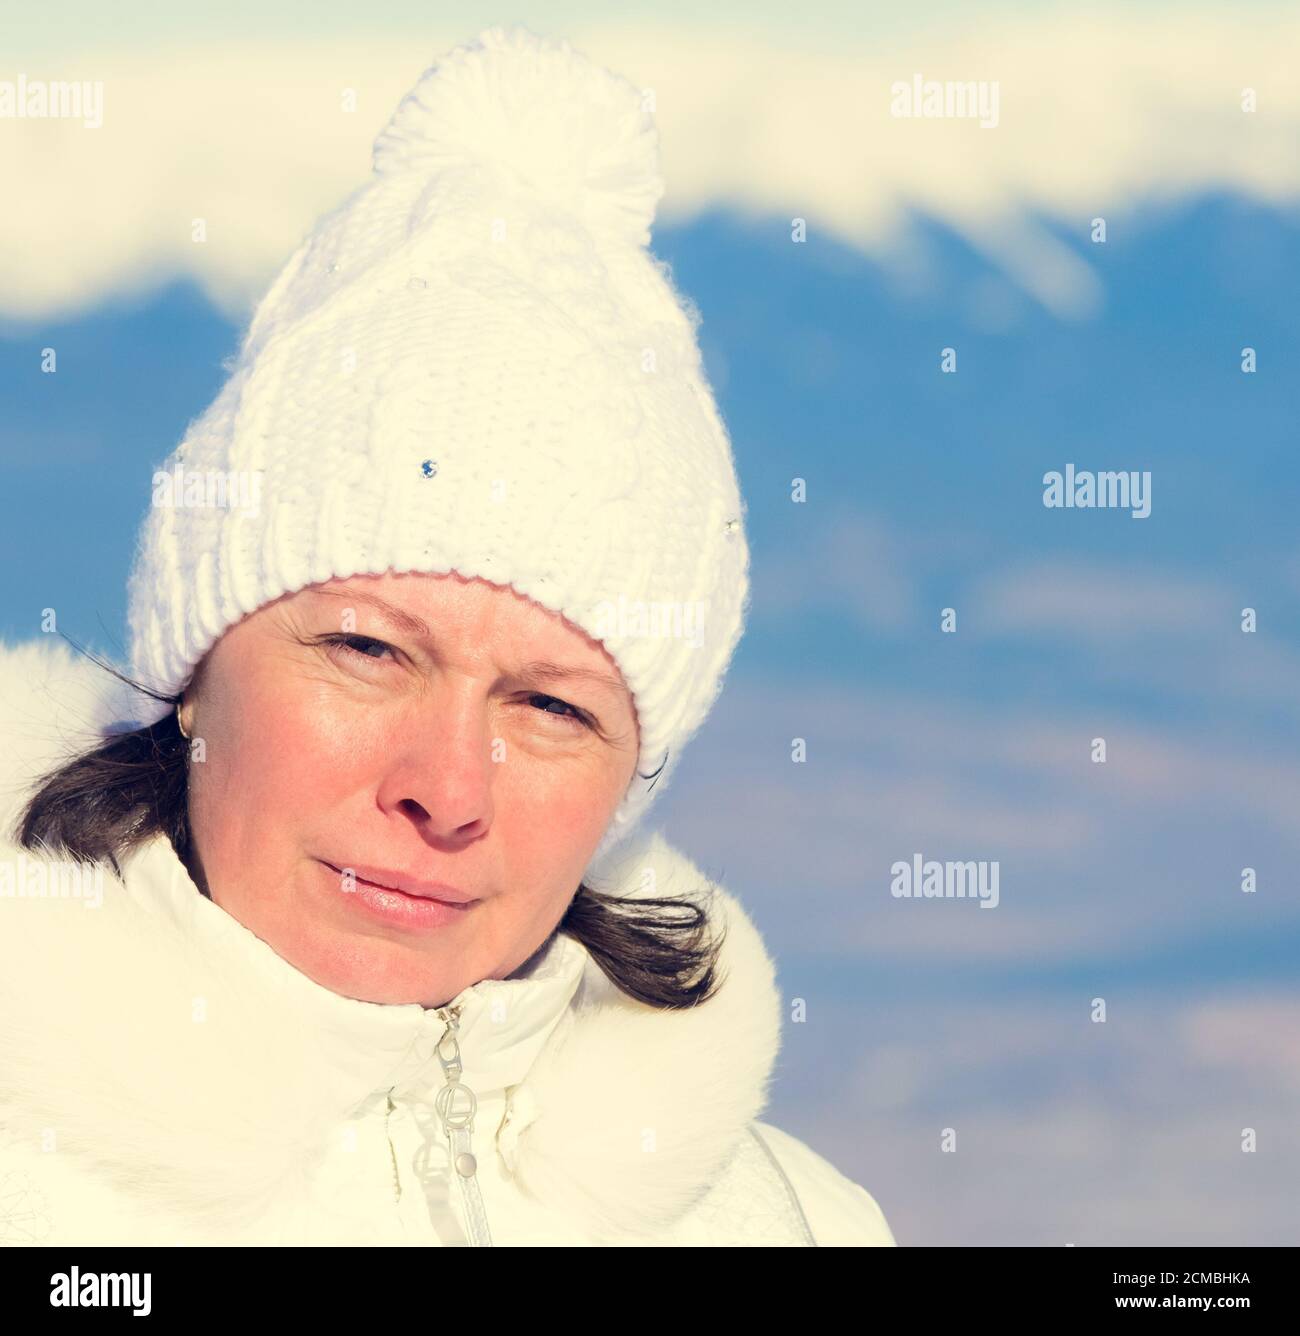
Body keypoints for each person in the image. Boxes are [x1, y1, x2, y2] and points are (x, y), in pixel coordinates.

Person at [0, 24, 896, 1248]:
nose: (446, 790)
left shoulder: (787, 1223)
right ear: (195, 671)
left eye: (552, 707)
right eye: (367, 651)